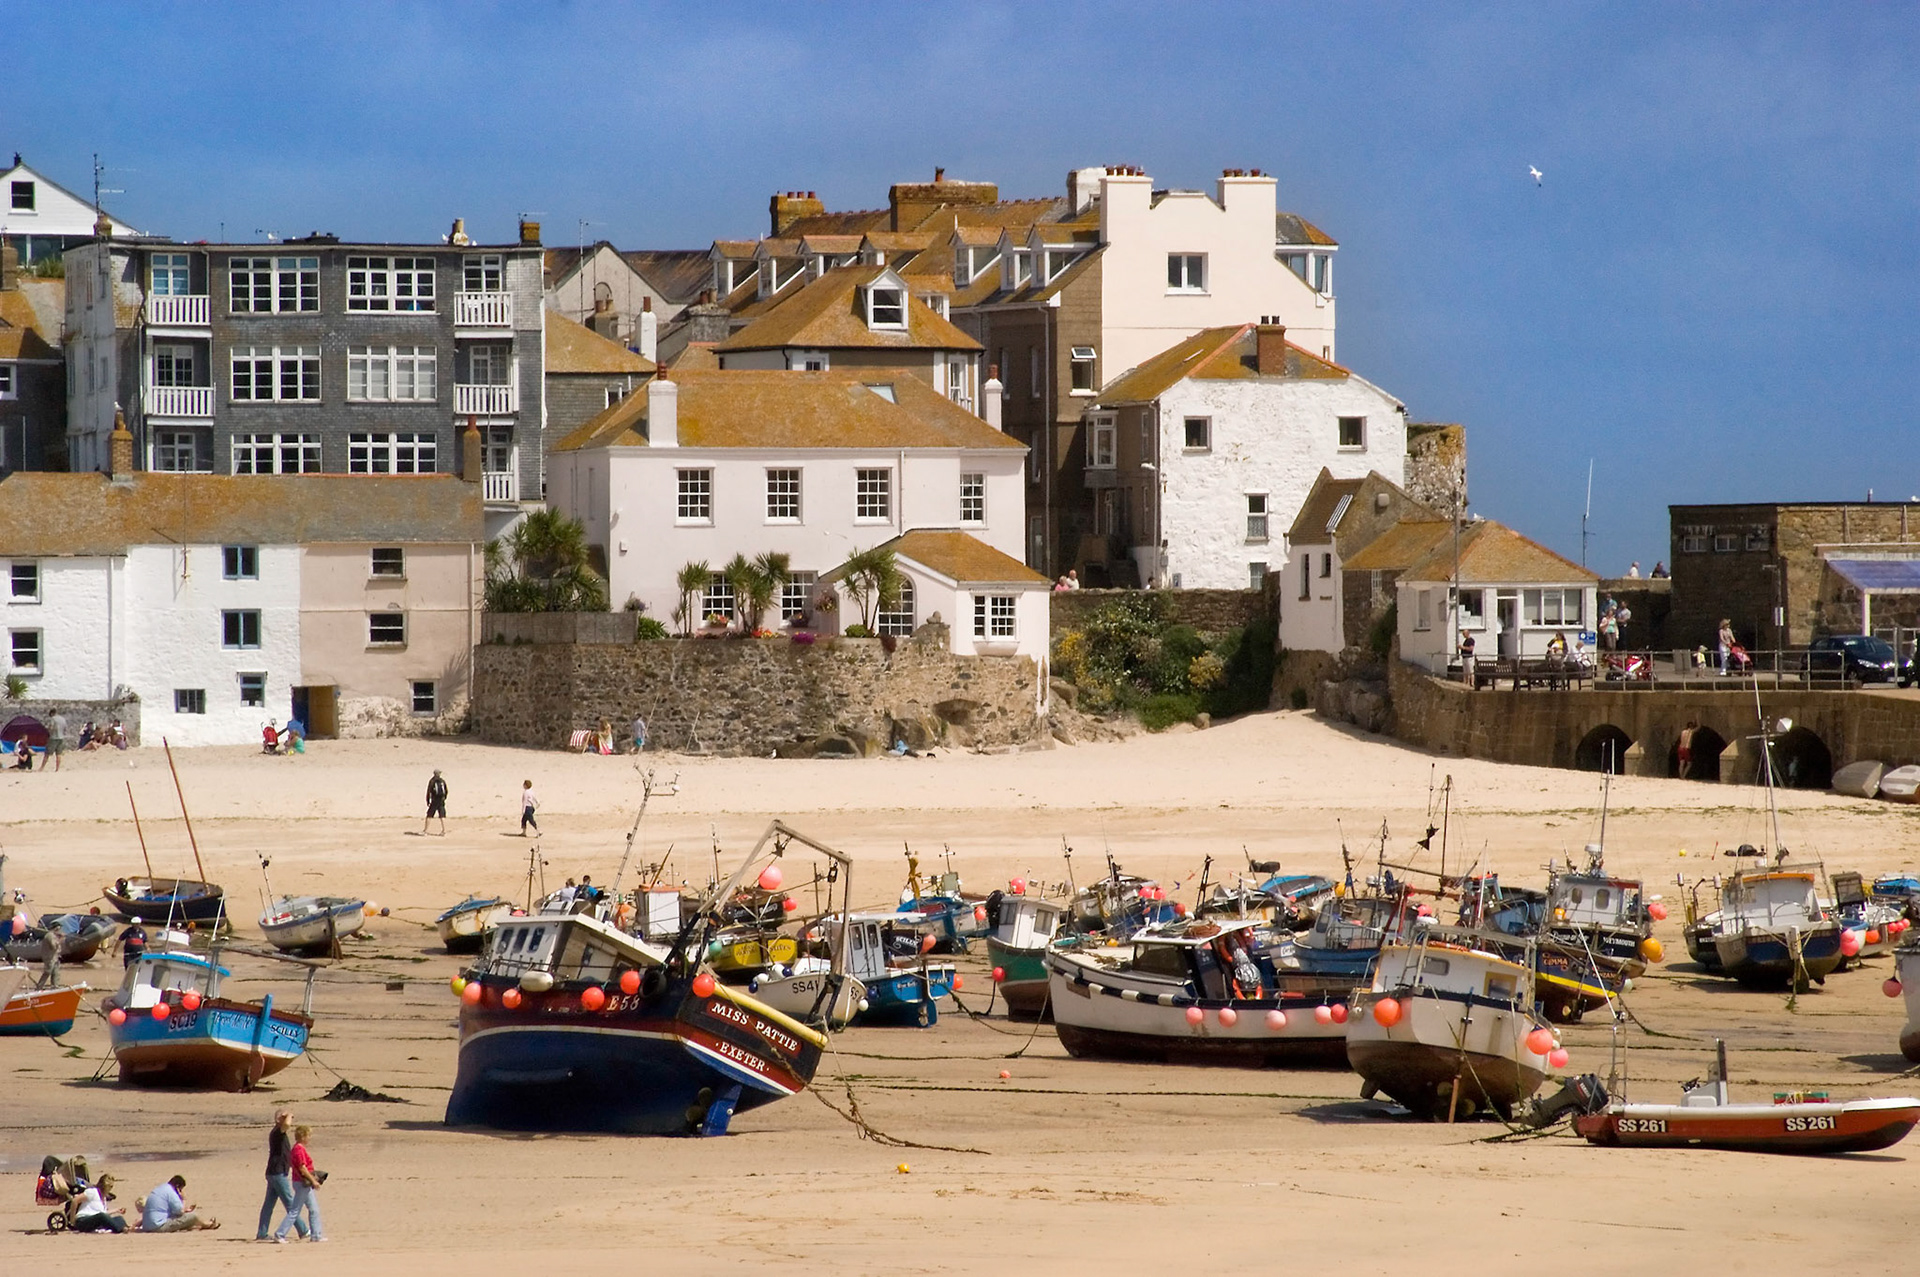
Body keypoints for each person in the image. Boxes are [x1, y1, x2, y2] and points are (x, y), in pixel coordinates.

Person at [257, 1109, 308, 1241]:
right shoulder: (277, 1132)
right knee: (290, 1203)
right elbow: (286, 1125)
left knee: (269, 1204)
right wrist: (289, 1114)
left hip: (275, 1172)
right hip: (277, 1173)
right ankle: (303, 1230)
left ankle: (262, 1233)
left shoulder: (278, 1133)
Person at [273, 1125, 325, 1243]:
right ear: (303, 1136)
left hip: (301, 1183)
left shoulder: (297, 1149)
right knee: (295, 1210)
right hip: (301, 1183)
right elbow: (302, 1168)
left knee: (314, 1209)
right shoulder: (298, 1149)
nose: (309, 1138)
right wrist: (313, 1181)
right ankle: (280, 1234)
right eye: (308, 1136)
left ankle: (316, 1235)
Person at [141, 1174, 219, 1231]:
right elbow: (179, 1212)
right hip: (158, 1226)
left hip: (147, 1225)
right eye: (181, 1189)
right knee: (194, 1216)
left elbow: (168, 1211)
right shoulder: (171, 1192)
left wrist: (186, 1210)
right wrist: (183, 1199)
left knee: (186, 1218)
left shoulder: (161, 1188)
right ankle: (208, 1224)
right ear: (178, 1187)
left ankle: (200, 1225)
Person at [422, 769, 448, 836]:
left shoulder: (432, 781)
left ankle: (425, 830)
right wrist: (444, 799)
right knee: (442, 816)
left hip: (434, 800)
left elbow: (429, 791)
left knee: (429, 815)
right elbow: (446, 791)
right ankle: (444, 830)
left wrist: (427, 800)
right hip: (441, 800)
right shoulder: (442, 781)